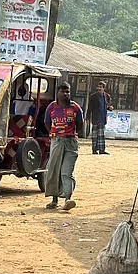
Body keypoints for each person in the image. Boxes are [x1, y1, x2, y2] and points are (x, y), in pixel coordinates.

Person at [44, 82, 84, 211]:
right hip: (56, 141)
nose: (66, 94)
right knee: (54, 170)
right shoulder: (51, 107)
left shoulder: (76, 108)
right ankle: (54, 200)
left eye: (68, 91)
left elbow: (80, 124)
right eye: (63, 91)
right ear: (57, 93)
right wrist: (54, 134)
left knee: (66, 171)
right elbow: (46, 122)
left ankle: (67, 199)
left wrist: (72, 134)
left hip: (71, 142)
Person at [86, 81, 113, 155]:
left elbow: (107, 106)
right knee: (95, 135)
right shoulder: (93, 96)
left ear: (104, 88)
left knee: (101, 135)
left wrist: (110, 108)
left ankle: (101, 150)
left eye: (101, 87)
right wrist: (87, 118)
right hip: (95, 117)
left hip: (102, 117)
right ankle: (94, 150)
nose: (99, 88)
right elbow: (89, 108)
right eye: (98, 87)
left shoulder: (107, 96)